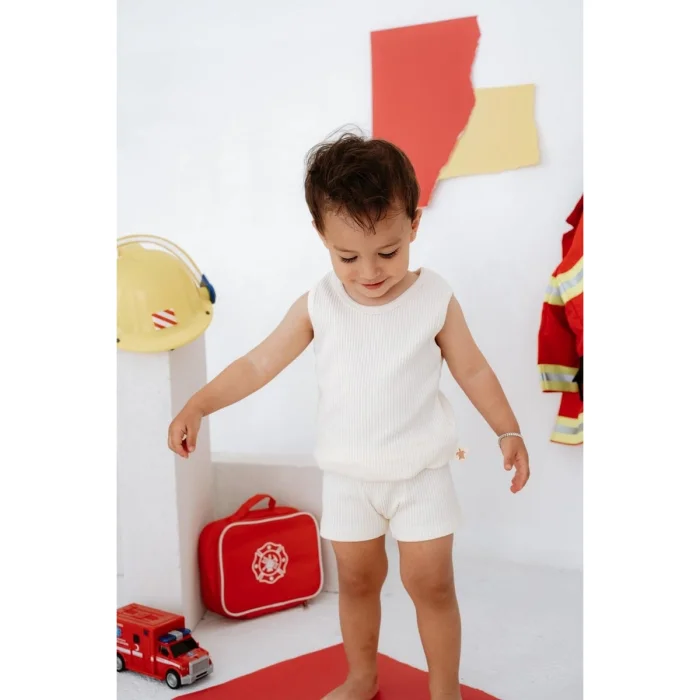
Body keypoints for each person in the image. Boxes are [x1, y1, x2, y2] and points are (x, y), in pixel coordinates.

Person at [167, 132, 530, 700]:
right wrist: (198, 404)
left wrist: (507, 428)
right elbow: (258, 363)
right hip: (348, 480)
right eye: (348, 257)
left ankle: (445, 690)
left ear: (414, 225)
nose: (369, 272)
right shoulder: (320, 304)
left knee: (431, 585)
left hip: (421, 476)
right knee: (358, 583)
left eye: (388, 252)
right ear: (322, 237)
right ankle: (362, 677)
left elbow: (474, 370)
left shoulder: (434, 298)